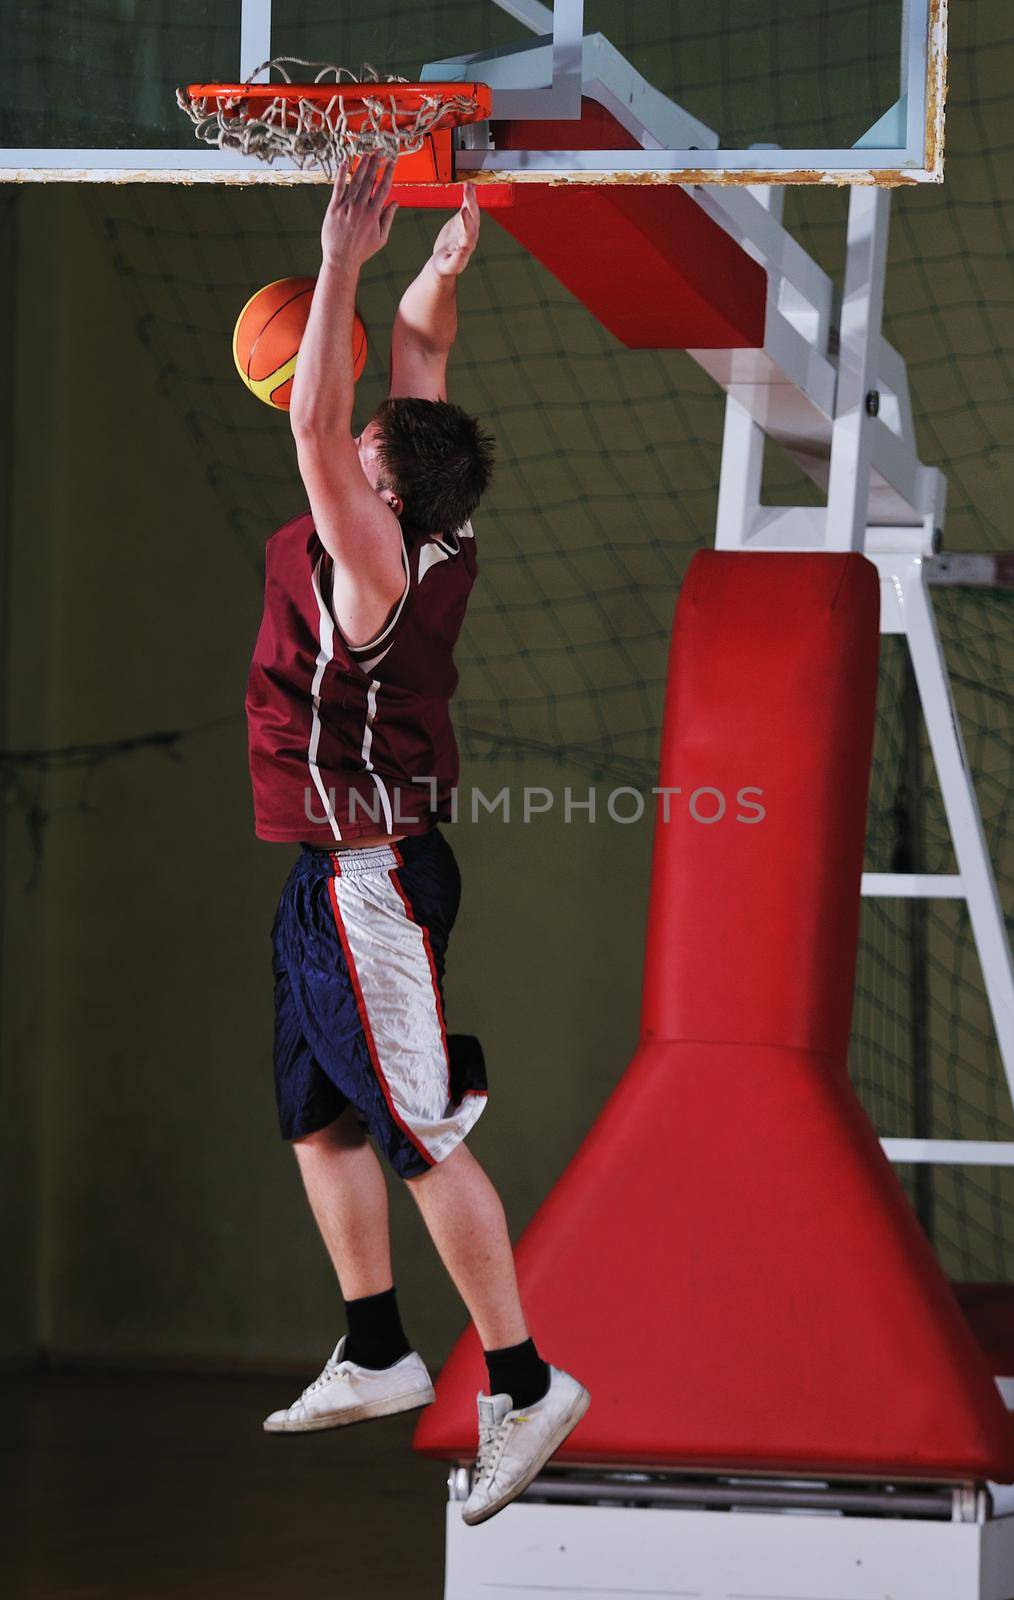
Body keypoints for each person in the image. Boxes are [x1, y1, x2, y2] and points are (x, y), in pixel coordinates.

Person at [244, 151, 589, 1526]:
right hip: (328, 871)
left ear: (381, 490)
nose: (359, 440)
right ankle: (377, 1346)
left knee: (420, 1132)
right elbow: (407, 370)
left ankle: (523, 1380)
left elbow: (314, 425)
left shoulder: (375, 552)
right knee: (314, 1116)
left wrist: (339, 257)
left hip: (372, 880)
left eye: (370, 450)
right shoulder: (432, 515)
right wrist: (436, 274)